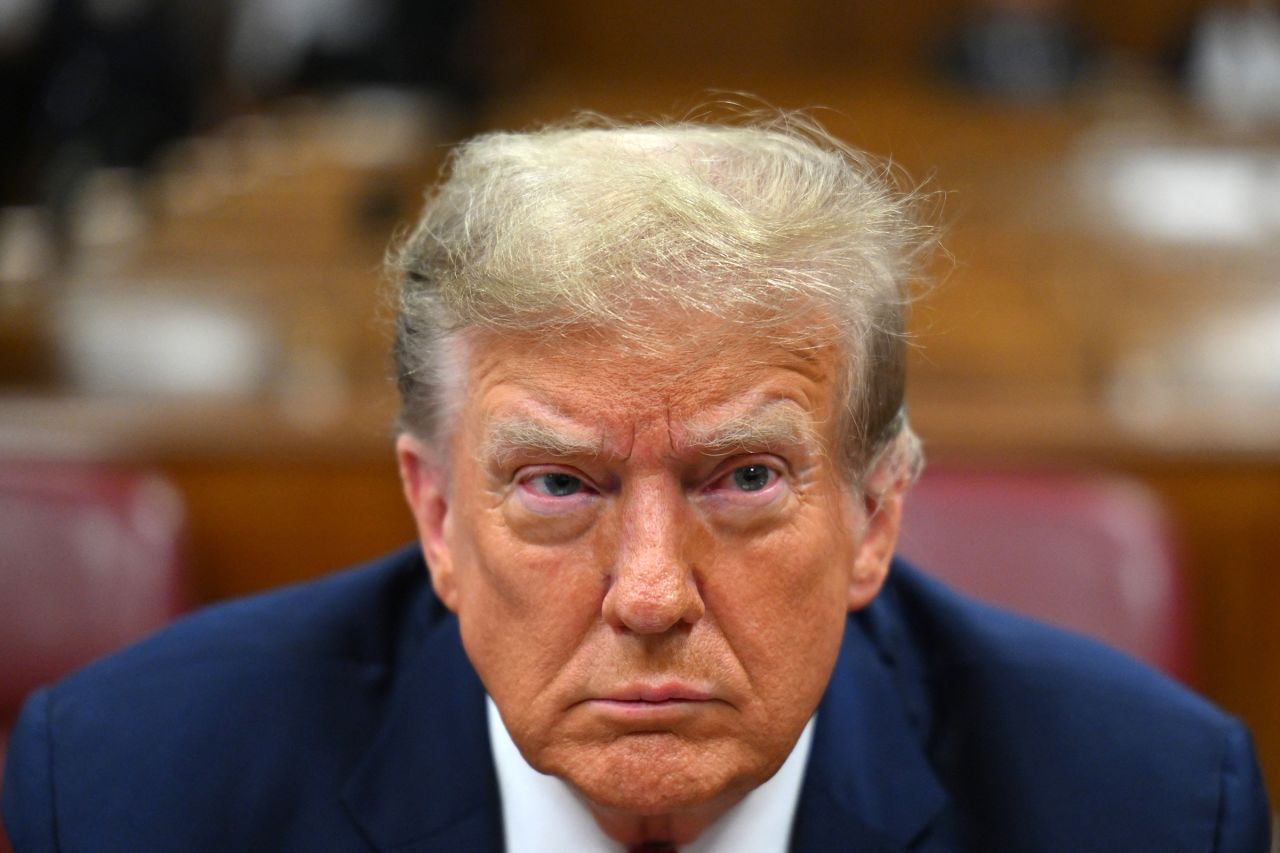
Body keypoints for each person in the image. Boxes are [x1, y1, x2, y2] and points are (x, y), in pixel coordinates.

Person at [2, 113, 1271, 852]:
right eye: (558, 483)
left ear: (874, 514)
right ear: (438, 514)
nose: (650, 593)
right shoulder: (132, 792)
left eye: (744, 476)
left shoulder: (1145, 808)